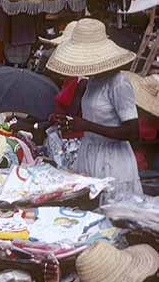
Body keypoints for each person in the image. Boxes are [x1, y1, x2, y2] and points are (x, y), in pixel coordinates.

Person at [47, 18, 141, 202]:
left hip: (113, 160)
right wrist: (68, 120)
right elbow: (80, 116)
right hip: (89, 154)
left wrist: (87, 125)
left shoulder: (119, 83)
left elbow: (133, 131)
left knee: (113, 215)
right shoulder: (90, 82)